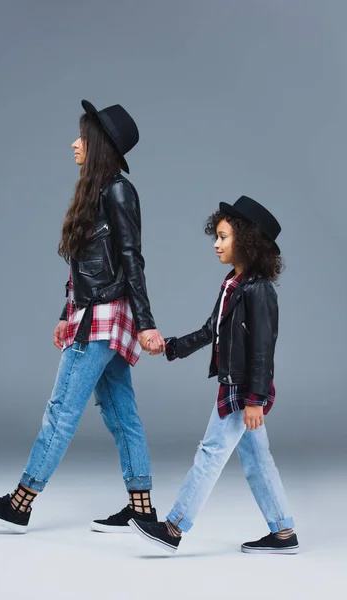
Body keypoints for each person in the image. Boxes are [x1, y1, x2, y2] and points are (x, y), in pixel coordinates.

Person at [0, 99, 165, 534]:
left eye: (81, 137)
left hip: (102, 321)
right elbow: (85, 267)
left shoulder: (117, 190)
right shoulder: (96, 191)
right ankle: (143, 509)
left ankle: (21, 502)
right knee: (120, 411)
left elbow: (132, 260)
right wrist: (64, 313)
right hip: (95, 315)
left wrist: (147, 323)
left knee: (61, 410)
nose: (74, 144)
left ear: (98, 146)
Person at [130, 196, 299, 554]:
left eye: (223, 237)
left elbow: (263, 351)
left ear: (247, 241)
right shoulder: (232, 285)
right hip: (235, 386)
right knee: (256, 459)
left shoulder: (259, 290)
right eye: (216, 236)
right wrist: (172, 347)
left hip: (242, 391)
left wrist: (256, 400)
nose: (216, 244)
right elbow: (213, 329)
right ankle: (284, 533)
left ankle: (174, 528)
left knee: (210, 452)